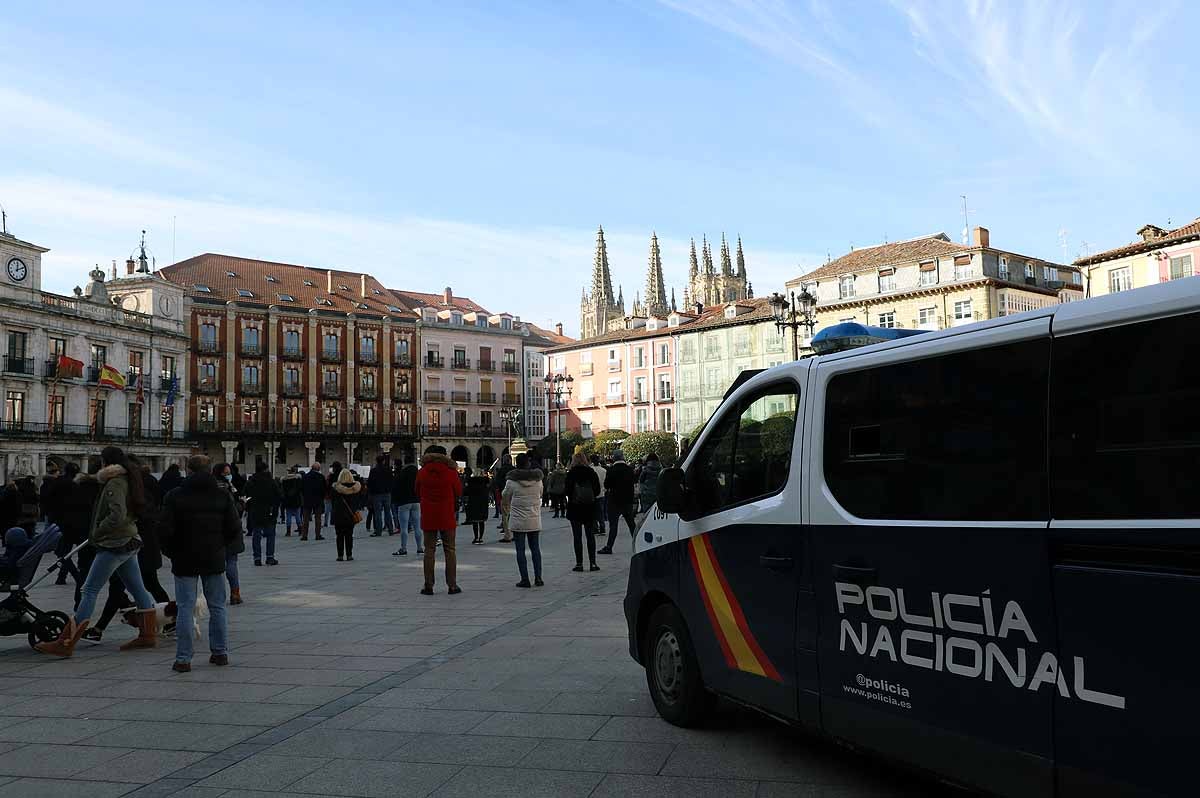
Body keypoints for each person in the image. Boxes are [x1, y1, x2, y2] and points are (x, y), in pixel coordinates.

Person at [36, 446, 158, 657]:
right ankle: (148, 635)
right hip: (128, 540)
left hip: (114, 543)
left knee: (89, 590)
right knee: (138, 588)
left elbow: (117, 515)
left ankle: (65, 643)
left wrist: (97, 533)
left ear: (105, 462)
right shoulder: (129, 478)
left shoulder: (115, 482)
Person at [159, 455, 240, 672]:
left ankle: (184, 659)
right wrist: (219, 546)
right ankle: (220, 652)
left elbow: (165, 530)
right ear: (210, 470)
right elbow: (234, 528)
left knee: (185, 608)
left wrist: (172, 552)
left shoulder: (175, 495)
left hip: (184, 557)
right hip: (213, 556)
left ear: (189, 470)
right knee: (217, 606)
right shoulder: (222, 495)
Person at [415, 445, 462, 595]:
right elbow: (459, 491)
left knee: (429, 550)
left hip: (428, 515)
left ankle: (428, 585)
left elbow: (416, 491)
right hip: (446, 515)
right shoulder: (451, 472)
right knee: (450, 549)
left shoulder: (422, 472)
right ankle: (452, 585)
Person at [502, 453, 545, 587]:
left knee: (520, 550)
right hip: (534, 518)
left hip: (518, 520)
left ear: (517, 464)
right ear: (528, 463)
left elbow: (505, 497)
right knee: (535, 549)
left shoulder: (511, 481)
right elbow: (541, 494)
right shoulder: (538, 480)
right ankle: (538, 578)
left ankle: (525, 579)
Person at [213, 462, 246, 604]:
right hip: (230, 529)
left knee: (218, 565)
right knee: (231, 561)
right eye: (226, 473)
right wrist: (242, 504)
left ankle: (219, 595)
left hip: (215, 530)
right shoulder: (228, 489)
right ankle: (235, 593)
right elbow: (234, 509)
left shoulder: (211, 487)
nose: (228, 475)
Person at [564, 452, 601, 572]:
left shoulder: (571, 474)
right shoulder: (591, 472)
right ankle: (593, 563)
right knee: (590, 536)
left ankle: (579, 563)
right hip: (589, 508)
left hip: (575, 508)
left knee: (577, 537)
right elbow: (597, 490)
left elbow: (567, 491)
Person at [599, 450, 637, 555]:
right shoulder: (629, 469)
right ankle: (638, 544)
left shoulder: (611, 470)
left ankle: (609, 546)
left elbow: (606, 485)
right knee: (631, 525)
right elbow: (633, 483)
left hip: (614, 500)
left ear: (614, 458)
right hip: (627, 501)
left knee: (613, 526)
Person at [243, 461, 282, 566]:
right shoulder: (271, 481)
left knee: (256, 535)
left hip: (255, 511)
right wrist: (275, 507)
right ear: (266, 469)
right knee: (270, 535)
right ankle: (270, 557)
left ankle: (257, 558)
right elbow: (278, 496)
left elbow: (246, 495)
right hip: (269, 511)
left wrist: (250, 505)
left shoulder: (251, 481)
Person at [392, 456, 422, 555]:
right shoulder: (418, 473)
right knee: (417, 526)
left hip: (404, 502)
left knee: (404, 527)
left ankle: (403, 548)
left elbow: (396, 487)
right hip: (416, 501)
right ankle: (419, 547)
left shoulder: (402, 473)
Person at [330, 467, 362, 562]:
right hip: (350, 515)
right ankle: (349, 555)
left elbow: (333, 501)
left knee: (339, 535)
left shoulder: (336, 488)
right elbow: (358, 502)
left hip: (339, 515)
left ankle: (340, 555)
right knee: (349, 535)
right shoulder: (355, 488)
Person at [367, 455, 394, 536]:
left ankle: (378, 531)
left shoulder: (373, 471)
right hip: (387, 493)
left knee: (378, 513)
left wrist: (371, 493)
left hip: (377, 494)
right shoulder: (388, 470)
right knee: (387, 512)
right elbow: (392, 481)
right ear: (383, 461)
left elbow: (370, 483)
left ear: (376, 461)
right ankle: (390, 529)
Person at [463, 467, 491, 545]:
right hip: (482, 503)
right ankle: (481, 538)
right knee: (481, 521)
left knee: (475, 521)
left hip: (473, 503)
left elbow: (466, 492)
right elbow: (488, 490)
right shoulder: (485, 482)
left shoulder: (471, 482)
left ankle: (475, 537)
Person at [300, 462, 327, 541]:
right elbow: (324, 489)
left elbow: (301, 488)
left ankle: (304, 535)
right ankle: (318, 535)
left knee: (305, 519)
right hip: (318, 500)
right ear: (318, 469)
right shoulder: (321, 477)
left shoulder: (305, 477)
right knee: (318, 519)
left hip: (307, 500)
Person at [490, 455, 513, 541]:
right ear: (510, 460)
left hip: (504, 493)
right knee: (513, 513)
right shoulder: (514, 469)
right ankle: (514, 532)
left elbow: (497, 481)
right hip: (514, 494)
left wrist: (499, 491)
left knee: (505, 513)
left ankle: (507, 533)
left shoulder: (502, 470)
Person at [280, 465, 304, 536]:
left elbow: (282, 490)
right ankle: (300, 530)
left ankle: (288, 531)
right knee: (298, 515)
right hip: (296, 499)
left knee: (288, 516)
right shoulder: (298, 479)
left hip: (287, 500)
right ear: (294, 471)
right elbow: (300, 489)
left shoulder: (284, 479)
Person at [591, 455, 608, 536]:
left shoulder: (591, 470)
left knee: (593, 512)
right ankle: (602, 527)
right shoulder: (603, 470)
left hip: (592, 493)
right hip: (602, 493)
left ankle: (595, 528)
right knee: (600, 511)